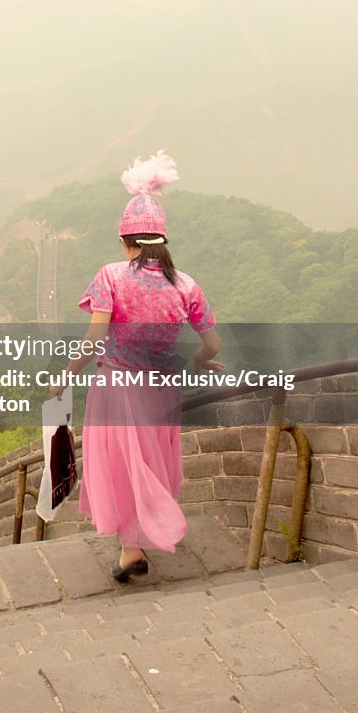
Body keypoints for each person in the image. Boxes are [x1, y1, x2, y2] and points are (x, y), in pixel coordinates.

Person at [55, 151, 222, 582]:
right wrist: (199, 363)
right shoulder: (185, 284)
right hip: (162, 388)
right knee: (149, 461)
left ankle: (132, 549)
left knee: (123, 464)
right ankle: (140, 539)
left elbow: (95, 338)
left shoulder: (111, 277)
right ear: (162, 240)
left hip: (118, 385)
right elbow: (212, 343)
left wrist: (66, 376)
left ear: (125, 239)